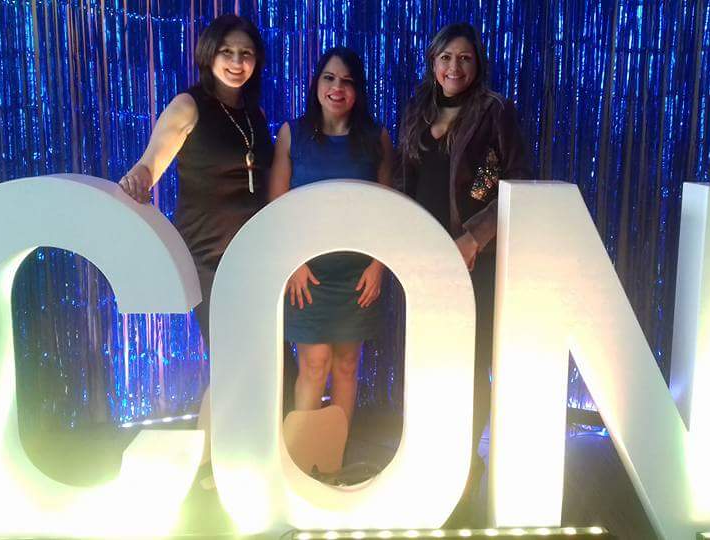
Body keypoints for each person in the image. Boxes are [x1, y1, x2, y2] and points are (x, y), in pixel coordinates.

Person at [118, 14, 272, 470]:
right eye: (227, 52)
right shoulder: (189, 105)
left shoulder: (254, 114)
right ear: (209, 54)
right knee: (232, 360)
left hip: (253, 255)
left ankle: (231, 456)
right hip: (207, 254)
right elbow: (153, 160)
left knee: (254, 359)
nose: (237, 62)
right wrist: (140, 176)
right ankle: (210, 461)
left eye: (246, 54)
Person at [399, 22, 531, 526]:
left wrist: (474, 239)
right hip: (425, 257)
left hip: (476, 258)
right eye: (446, 57)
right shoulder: (418, 111)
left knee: (471, 361)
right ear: (433, 63)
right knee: (432, 357)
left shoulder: (495, 111)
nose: (455, 67)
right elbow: (407, 183)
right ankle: (436, 456)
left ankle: (466, 462)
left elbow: (518, 183)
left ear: (478, 65)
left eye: (465, 58)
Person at [268, 46, 395, 426]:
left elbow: (389, 210)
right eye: (329, 78)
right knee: (314, 363)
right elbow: (277, 207)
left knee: (346, 364)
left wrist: (378, 266)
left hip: (358, 274)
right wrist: (293, 263)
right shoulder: (292, 134)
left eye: (347, 81)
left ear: (358, 90)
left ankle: (336, 454)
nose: (337, 88)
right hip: (307, 272)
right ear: (317, 83)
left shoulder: (376, 137)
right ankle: (303, 453)